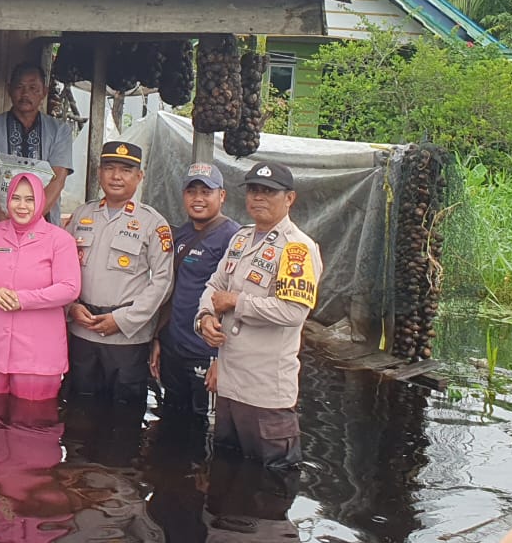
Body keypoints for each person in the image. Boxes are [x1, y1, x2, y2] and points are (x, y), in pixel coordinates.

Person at [198, 162, 323, 469]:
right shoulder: (240, 239)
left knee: (269, 483)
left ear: (289, 198)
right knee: (226, 471)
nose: (258, 198)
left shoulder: (298, 248)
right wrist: (204, 317)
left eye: (268, 191)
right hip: (229, 385)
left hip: (265, 392)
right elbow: (214, 285)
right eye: (253, 190)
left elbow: (293, 312)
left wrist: (237, 302)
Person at [64, 141, 174, 403]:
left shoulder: (153, 223)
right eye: (109, 168)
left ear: (139, 176)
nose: (116, 176)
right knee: (79, 412)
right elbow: (62, 270)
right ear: (99, 172)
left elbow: (163, 282)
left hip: (127, 340)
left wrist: (123, 320)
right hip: (82, 332)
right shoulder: (81, 216)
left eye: (125, 170)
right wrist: (71, 307)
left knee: (123, 421)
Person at [0, 172, 81, 400]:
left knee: (33, 420)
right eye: (16, 198)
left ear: (41, 201)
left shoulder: (60, 240)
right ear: (7, 200)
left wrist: (23, 300)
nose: (22, 206)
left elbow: (69, 287)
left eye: (30, 199)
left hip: (38, 354)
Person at [150, 162, 241, 417]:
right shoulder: (180, 234)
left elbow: (234, 303)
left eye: (206, 191)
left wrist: (223, 360)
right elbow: (171, 290)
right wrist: (158, 337)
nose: (198, 198)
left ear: (221, 196)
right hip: (173, 349)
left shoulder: (233, 238)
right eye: (191, 192)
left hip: (206, 353)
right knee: (174, 420)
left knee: (206, 429)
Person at [0, 63, 73, 225]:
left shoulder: (59, 131)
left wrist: (31, 220)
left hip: (44, 225)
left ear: (44, 92)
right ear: (9, 89)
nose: (26, 93)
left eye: (33, 88)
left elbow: (58, 180)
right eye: (20, 86)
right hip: (1, 224)